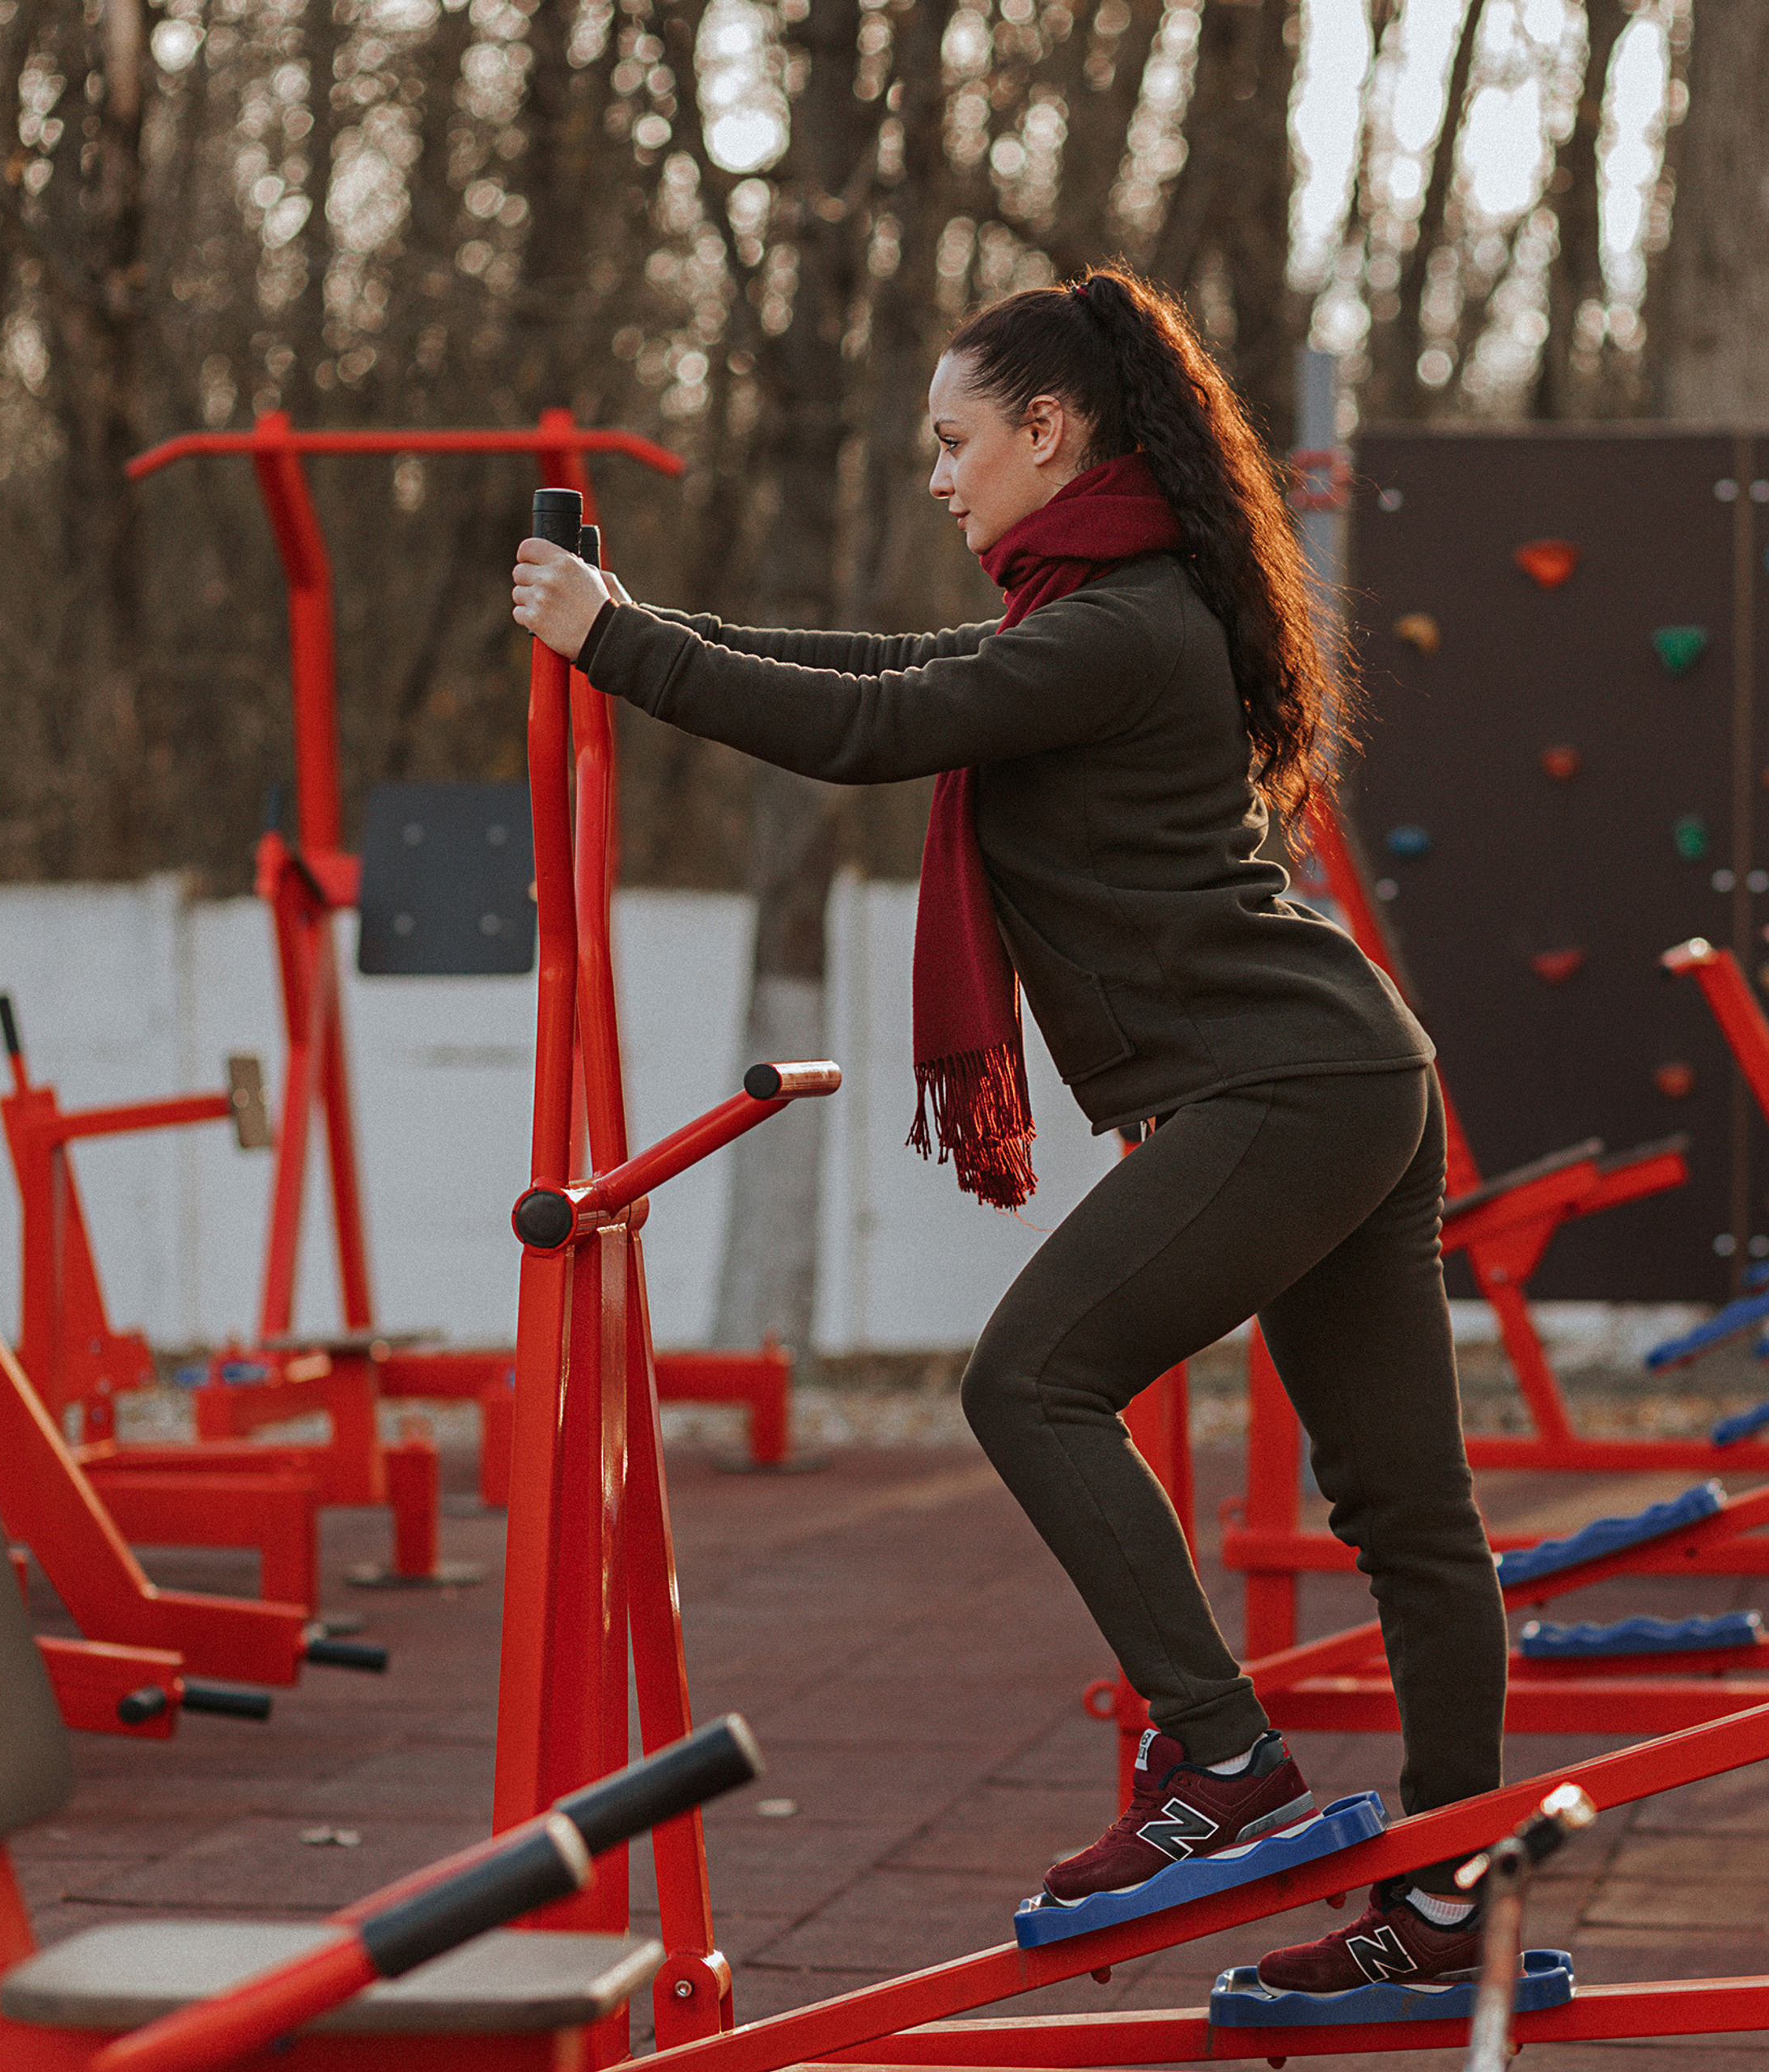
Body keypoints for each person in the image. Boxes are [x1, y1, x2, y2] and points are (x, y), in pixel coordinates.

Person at [511, 265, 1508, 1993]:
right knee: (1407, 1511)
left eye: (953, 438)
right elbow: (901, 664)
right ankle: (1445, 1899)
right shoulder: (1103, 607)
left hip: (1286, 1082)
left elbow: (876, 725)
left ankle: (1215, 1755)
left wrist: (614, 644)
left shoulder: (1114, 626)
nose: (936, 474)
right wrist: (640, 624)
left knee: (1028, 1378)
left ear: (1050, 430)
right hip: (1343, 1072)